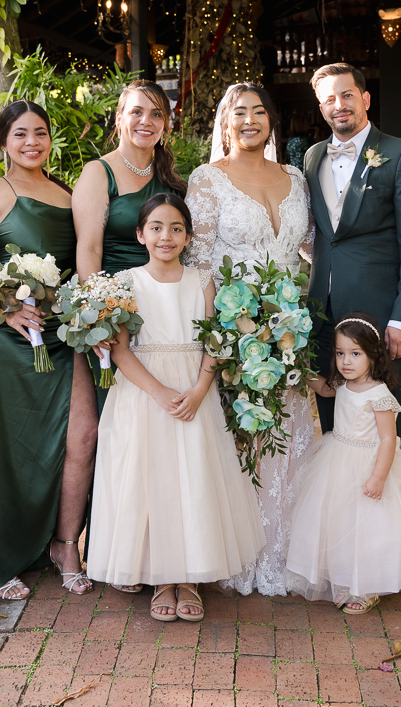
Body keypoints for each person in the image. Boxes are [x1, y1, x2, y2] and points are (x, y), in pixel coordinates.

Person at [86, 193, 265, 623]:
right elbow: (122, 352)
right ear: (140, 235)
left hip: (193, 390)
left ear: (188, 236)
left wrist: (200, 388)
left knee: (194, 477)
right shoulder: (124, 283)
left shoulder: (202, 281)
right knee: (153, 479)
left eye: (176, 228)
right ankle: (160, 577)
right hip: (144, 394)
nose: (166, 236)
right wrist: (160, 392)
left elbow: (215, 342)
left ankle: (191, 578)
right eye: (157, 228)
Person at [0, 100, 85, 603]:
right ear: (5, 142)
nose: (33, 142)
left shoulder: (68, 195)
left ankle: (52, 546)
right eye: (21, 134)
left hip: (56, 336)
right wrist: (5, 305)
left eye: (41, 133)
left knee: (64, 443)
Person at [184, 82, 314, 597]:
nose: (251, 119)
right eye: (240, 112)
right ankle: (237, 553)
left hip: (290, 329)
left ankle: (286, 551)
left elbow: (309, 250)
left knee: (288, 435)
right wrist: (233, 329)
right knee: (247, 441)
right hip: (237, 330)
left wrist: (301, 319)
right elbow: (200, 264)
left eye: (260, 110)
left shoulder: (297, 177)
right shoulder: (207, 179)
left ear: (271, 122)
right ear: (224, 124)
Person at [70, 81, 187, 571]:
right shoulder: (99, 173)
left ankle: (156, 547)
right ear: (118, 117)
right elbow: (89, 251)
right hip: (116, 313)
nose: (146, 121)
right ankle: (106, 546)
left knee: (159, 434)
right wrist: (100, 318)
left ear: (165, 124)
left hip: (165, 311)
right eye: (136, 112)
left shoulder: (170, 177)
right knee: (109, 432)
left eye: (156, 114)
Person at [285, 313, 401, 614]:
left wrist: (378, 477)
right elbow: (327, 390)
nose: (345, 361)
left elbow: (389, 440)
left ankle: (367, 586)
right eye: (340, 353)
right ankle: (342, 577)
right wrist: (300, 371)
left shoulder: (379, 395)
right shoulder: (343, 382)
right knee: (338, 523)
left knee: (368, 528)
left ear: (373, 355)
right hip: (336, 459)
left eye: (355, 354)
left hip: (369, 466)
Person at [302, 63, 401, 446]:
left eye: (346, 95)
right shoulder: (313, 158)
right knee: (336, 428)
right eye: (329, 99)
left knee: (392, 426)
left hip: (382, 321)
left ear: (365, 98)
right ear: (321, 107)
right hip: (324, 319)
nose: (339, 105)